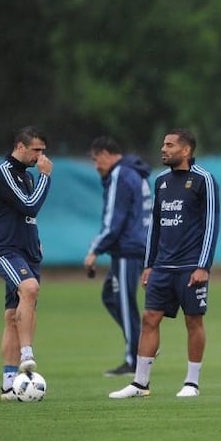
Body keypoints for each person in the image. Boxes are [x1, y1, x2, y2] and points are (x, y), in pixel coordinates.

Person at [109, 129, 219, 399]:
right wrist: (149, 264)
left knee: (193, 321)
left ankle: (192, 383)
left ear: (186, 150)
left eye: (169, 145)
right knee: (149, 319)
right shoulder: (160, 181)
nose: (163, 149)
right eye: (163, 144)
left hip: (191, 267)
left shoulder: (204, 180)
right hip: (162, 267)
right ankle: (140, 383)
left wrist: (203, 265)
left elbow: (211, 225)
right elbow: (154, 227)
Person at [0, 126, 53, 401]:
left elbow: (26, 217)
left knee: (12, 317)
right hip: (6, 250)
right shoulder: (1, 173)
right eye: (36, 150)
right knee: (30, 287)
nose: (41, 156)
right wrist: (45, 177)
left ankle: (8, 386)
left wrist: (35, 240)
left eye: (43, 151)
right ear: (20, 147)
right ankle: (27, 354)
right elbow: (29, 205)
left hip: (27, 252)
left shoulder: (26, 176)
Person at [84, 136, 152, 377]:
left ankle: (134, 358)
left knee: (124, 302)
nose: (96, 166)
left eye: (95, 160)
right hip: (135, 246)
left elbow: (114, 220)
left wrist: (95, 249)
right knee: (110, 296)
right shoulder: (134, 172)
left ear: (105, 153)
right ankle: (143, 344)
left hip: (127, 249)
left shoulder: (120, 175)